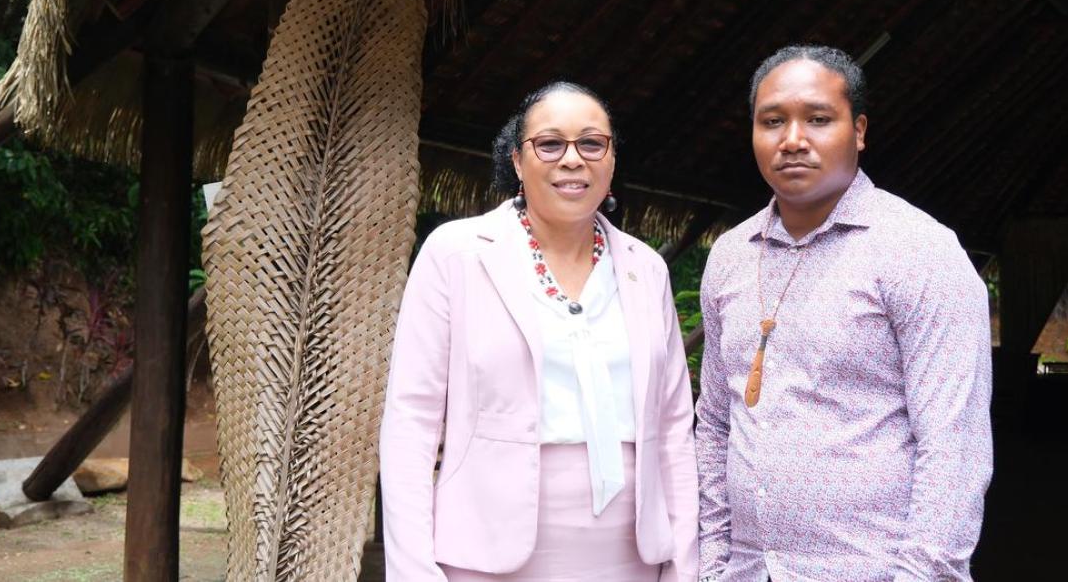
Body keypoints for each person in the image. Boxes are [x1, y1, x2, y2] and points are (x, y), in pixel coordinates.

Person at [696, 46, 993, 582]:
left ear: (858, 131)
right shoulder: (731, 256)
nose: (792, 139)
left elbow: (955, 446)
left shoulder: (918, 251)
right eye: (772, 122)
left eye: (817, 119)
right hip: (746, 571)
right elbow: (716, 423)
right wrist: (715, 564)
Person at [380, 81, 698, 581]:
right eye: (550, 144)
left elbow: (675, 429)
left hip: (629, 558)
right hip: (488, 555)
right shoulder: (458, 253)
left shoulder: (646, 268)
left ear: (611, 162)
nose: (573, 159)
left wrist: (683, 562)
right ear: (517, 161)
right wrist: (413, 568)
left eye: (592, 143)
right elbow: (411, 422)